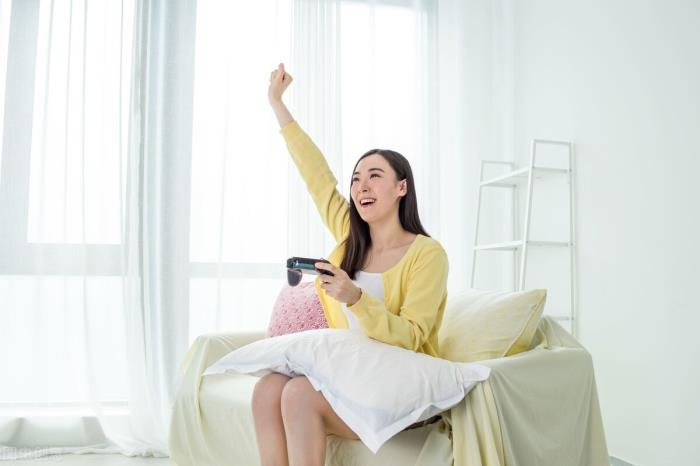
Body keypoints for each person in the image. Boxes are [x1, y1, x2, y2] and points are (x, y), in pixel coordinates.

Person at [252, 63, 449, 466]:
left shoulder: (428, 254)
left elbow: (412, 337)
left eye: (374, 176)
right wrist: (277, 103)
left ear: (401, 187)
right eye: (356, 179)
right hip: (350, 372)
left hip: (402, 383)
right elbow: (316, 175)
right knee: (268, 388)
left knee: (298, 394)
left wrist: (356, 298)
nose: (361, 186)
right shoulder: (349, 235)